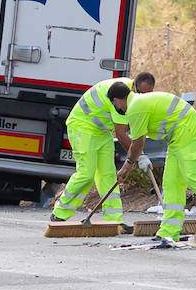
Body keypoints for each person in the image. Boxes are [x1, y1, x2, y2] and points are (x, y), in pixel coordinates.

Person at [111, 85, 196, 247]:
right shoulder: (139, 102)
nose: (118, 109)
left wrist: (126, 167)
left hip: (187, 131)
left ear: (116, 100)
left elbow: (137, 143)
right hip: (177, 137)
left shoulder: (135, 108)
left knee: (193, 178)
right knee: (171, 183)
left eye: (115, 105)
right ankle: (169, 230)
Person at [50, 71, 155, 234]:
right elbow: (121, 133)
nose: (142, 98)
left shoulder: (133, 96)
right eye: (140, 94)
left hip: (101, 131)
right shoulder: (121, 94)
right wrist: (138, 156)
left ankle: (114, 221)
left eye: (147, 96)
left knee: (108, 176)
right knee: (86, 174)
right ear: (133, 85)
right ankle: (59, 214)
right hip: (82, 127)